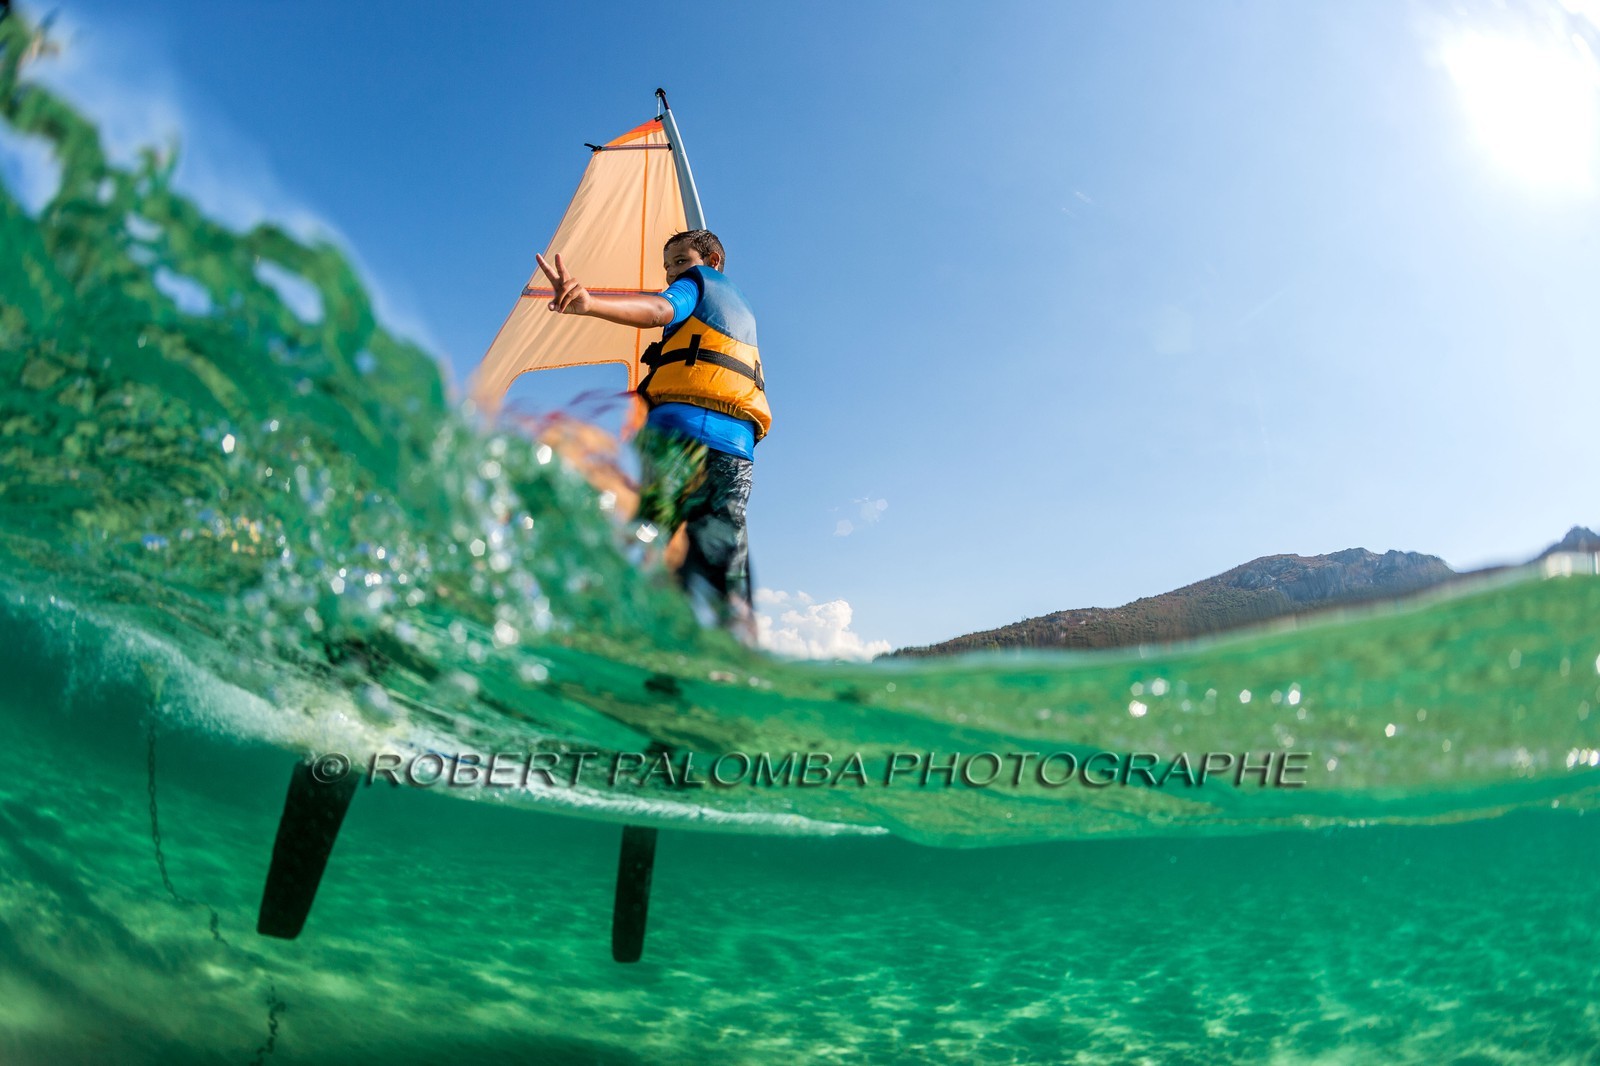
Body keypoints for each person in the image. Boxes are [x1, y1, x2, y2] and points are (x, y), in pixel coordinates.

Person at [535, 230, 769, 636]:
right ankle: (719, 661)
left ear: (712, 261)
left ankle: (606, 633)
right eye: (668, 267)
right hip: (733, 455)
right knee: (720, 570)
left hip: (683, 446)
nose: (672, 274)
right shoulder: (742, 311)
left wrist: (590, 303)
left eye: (679, 261)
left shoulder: (696, 284)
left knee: (650, 549)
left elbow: (661, 310)